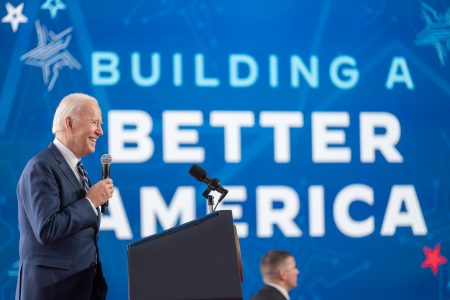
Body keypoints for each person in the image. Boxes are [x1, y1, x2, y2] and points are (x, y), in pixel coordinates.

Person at [15, 93, 114, 300]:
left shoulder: (77, 168)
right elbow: (47, 228)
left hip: (80, 287)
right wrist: (91, 201)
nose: (100, 131)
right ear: (69, 123)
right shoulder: (41, 167)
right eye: (94, 122)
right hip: (53, 290)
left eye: (101, 124)